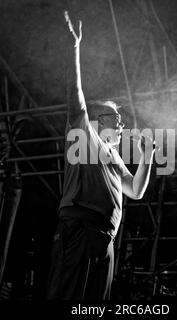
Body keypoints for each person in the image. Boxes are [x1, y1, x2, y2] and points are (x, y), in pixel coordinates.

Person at [46, 11, 155, 300]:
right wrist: (74, 47)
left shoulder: (113, 157)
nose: (121, 123)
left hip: (105, 238)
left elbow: (136, 190)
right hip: (80, 228)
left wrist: (147, 157)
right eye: (115, 117)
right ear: (97, 120)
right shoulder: (85, 134)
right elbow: (76, 95)